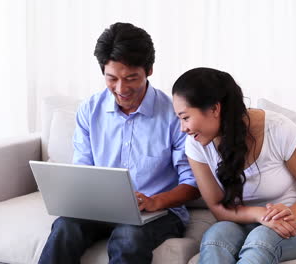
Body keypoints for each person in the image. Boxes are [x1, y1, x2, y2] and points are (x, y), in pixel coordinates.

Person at [38, 22, 200, 264]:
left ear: (149, 70)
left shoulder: (174, 115)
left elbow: (193, 183)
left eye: (131, 78)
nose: (121, 89)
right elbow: (81, 171)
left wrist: (154, 201)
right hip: (99, 209)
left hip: (160, 212)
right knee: (64, 228)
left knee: (128, 237)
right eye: (111, 78)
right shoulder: (89, 110)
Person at [171, 67, 296, 263]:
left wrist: (289, 215)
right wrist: (260, 215)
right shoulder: (196, 144)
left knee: (260, 241)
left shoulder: (278, 129)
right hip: (244, 222)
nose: (183, 128)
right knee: (215, 238)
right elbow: (217, 207)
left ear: (214, 109)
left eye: (186, 117)